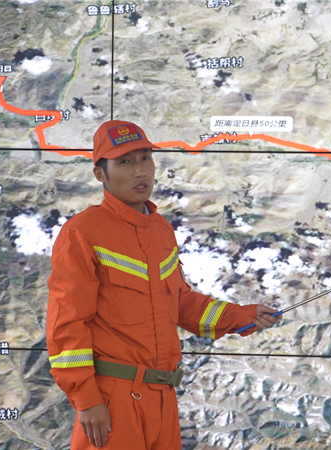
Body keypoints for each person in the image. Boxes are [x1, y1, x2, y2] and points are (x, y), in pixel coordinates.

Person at [46, 120, 280, 449]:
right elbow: (67, 323)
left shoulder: (161, 231)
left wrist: (241, 316)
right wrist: (86, 399)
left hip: (163, 398)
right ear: (101, 174)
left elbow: (179, 303)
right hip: (113, 400)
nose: (140, 171)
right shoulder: (82, 233)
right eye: (124, 162)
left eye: (145, 158)